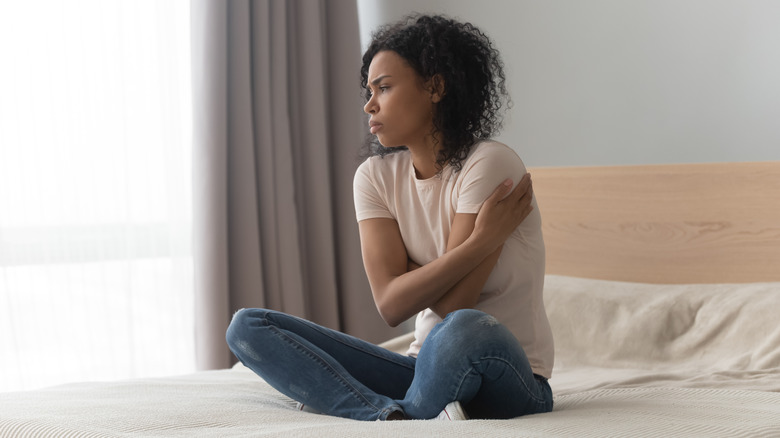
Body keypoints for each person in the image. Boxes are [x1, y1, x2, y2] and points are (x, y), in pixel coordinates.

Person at [226, 14, 554, 421]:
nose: (369, 104)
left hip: (509, 375)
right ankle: (384, 417)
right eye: (369, 91)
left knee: (462, 328)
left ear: (435, 87)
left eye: (384, 87)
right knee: (248, 326)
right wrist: (481, 243)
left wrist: (406, 276)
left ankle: (398, 415)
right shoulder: (374, 177)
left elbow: (454, 306)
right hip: (422, 369)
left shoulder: (489, 164)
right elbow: (389, 304)